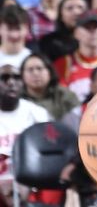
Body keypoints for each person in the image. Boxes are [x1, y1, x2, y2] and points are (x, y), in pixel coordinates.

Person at [0, 63, 49, 203]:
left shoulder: (38, 114)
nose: (11, 82)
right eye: (4, 78)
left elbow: (46, 157)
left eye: (16, 78)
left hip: (31, 185)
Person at [20, 52, 80, 120]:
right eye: (30, 70)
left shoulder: (65, 95)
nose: (35, 73)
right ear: (22, 75)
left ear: (49, 72)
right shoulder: (17, 98)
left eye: (39, 68)